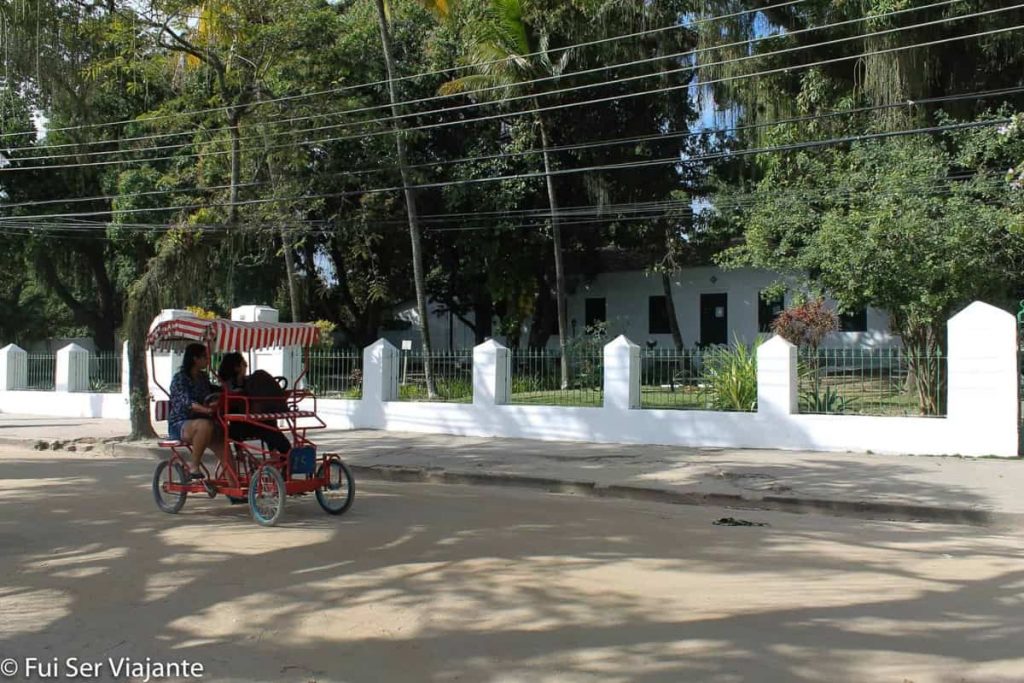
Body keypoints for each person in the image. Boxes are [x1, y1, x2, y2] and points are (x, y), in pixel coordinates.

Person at [168, 343, 226, 487]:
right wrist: (206, 410)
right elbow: (187, 402)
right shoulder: (179, 379)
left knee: (222, 435)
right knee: (204, 425)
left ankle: (234, 486)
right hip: (180, 423)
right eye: (205, 357)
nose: (208, 360)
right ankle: (193, 466)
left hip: (204, 423)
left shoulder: (203, 377)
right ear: (195, 359)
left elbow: (212, 392)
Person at [216, 352, 291, 455]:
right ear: (236, 368)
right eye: (244, 363)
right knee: (267, 427)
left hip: (254, 422)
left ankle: (282, 453)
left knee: (268, 425)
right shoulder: (229, 388)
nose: (246, 366)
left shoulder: (247, 382)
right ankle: (285, 453)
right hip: (242, 426)